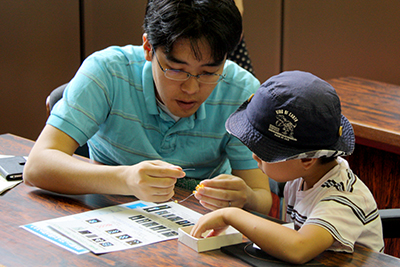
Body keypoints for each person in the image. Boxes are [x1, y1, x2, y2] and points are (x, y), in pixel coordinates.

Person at [23, 0, 272, 215]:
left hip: (196, 220)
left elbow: (262, 197)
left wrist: (246, 197)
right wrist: (126, 179)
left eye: (209, 72)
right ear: (148, 49)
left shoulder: (241, 90)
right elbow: (37, 167)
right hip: (109, 208)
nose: (191, 88)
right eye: (177, 69)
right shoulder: (107, 72)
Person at [190, 71, 384, 264]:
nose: (254, 155)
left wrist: (231, 215)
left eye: (266, 152)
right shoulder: (302, 177)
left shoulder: (343, 198)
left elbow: (298, 248)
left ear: (307, 159)